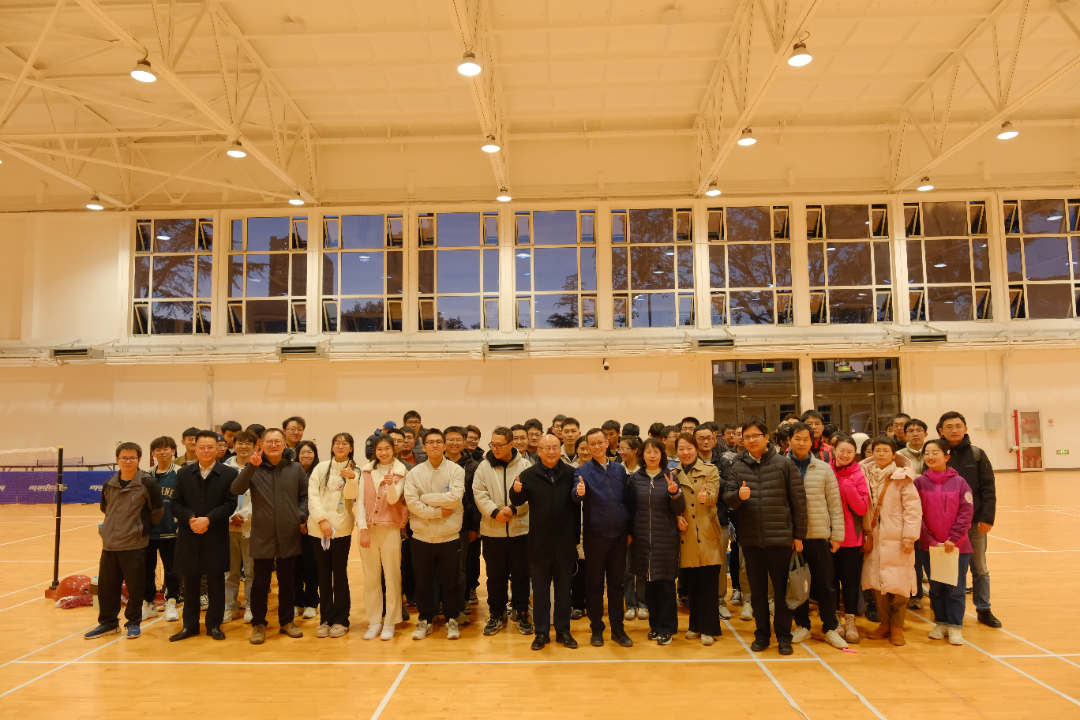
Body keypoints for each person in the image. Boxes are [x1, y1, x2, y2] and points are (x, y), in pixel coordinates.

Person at [723, 420, 807, 655]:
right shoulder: (738, 465)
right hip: (750, 540)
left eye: (755, 436)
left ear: (766, 437)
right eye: (747, 437)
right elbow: (728, 498)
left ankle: (784, 636)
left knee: (781, 591)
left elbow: (799, 502)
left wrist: (799, 535)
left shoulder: (784, 464)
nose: (751, 440)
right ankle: (762, 635)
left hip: (780, 538)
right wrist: (738, 496)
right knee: (757, 592)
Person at [232, 428, 309, 644]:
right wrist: (251, 467)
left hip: (288, 533)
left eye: (277, 441)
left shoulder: (295, 468)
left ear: (284, 444)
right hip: (262, 534)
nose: (273, 445)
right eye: (269, 441)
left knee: (287, 581)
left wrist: (299, 516)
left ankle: (287, 622)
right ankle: (258, 623)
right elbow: (236, 489)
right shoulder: (254, 467)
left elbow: (305, 497)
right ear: (262, 445)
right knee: (260, 583)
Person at [85, 442, 164, 640]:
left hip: (135, 544)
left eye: (132, 458)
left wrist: (139, 530)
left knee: (135, 587)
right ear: (117, 460)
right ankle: (108, 623)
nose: (128, 461)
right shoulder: (109, 484)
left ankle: (133, 622)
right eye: (124, 458)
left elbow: (157, 512)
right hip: (110, 544)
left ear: (139, 459)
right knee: (107, 587)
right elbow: (106, 509)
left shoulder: (148, 483)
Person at [510, 434, 581, 650]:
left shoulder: (572, 473)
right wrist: (515, 491)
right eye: (546, 448)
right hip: (539, 544)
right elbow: (518, 501)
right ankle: (541, 632)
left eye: (555, 447)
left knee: (564, 591)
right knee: (540, 593)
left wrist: (581, 494)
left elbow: (578, 501)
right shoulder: (528, 475)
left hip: (565, 543)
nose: (551, 452)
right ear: (538, 451)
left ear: (560, 449)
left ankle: (563, 630)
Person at [169, 430, 238, 642]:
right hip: (189, 534)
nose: (206, 451)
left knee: (216, 583)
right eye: (202, 447)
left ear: (217, 449)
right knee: (190, 584)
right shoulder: (183, 474)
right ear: (195, 449)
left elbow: (230, 504)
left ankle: (214, 625)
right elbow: (175, 503)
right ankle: (189, 626)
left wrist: (208, 520)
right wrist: (191, 518)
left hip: (215, 534)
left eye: (210, 447)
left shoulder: (229, 474)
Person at [786, 423, 848, 649]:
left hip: (820, 535)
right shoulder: (781, 466)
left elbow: (834, 503)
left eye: (806, 439)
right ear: (789, 441)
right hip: (791, 538)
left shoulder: (823, 468)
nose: (801, 443)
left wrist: (837, 535)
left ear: (812, 441)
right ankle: (802, 625)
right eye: (797, 438)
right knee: (797, 584)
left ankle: (830, 627)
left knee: (826, 585)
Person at [937, 411, 1001, 629]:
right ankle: (948, 612)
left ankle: (984, 608)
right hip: (944, 523)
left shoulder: (977, 454)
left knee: (979, 567)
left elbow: (988, 488)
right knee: (948, 568)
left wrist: (987, 517)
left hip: (973, 523)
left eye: (958, 426)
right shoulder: (936, 453)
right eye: (949, 426)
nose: (954, 430)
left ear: (965, 429)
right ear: (941, 431)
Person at [404, 429, 466, 640]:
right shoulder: (414, 473)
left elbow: (454, 499)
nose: (435, 445)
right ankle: (425, 619)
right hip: (422, 537)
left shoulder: (456, 470)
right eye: (430, 442)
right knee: (423, 583)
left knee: (451, 582)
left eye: (439, 442)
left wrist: (425, 498)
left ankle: (451, 619)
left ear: (444, 445)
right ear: (424, 446)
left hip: (449, 536)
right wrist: (438, 511)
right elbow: (412, 503)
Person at [574, 428, 634, 648]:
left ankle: (618, 629)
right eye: (592, 444)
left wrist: (629, 531)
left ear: (607, 443)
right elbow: (575, 496)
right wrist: (578, 493)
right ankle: (597, 628)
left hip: (619, 536)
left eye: (600, 442)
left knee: (617, 584)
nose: (597, 446)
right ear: (588, 447)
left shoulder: (619, 469)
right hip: (595, 536)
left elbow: (627, 500)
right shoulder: (581, 471)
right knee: (594, 584)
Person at [346, 434, 408, 641]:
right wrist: (362, 529)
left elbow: (393, 500)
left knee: (392, 576)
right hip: (369, 530)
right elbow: (360, 502)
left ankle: (390, 622)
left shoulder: (400, 471)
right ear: (375, 451)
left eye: (387, 448)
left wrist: (390, 484)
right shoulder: (365, 471)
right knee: (371, 577)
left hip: (390, 529)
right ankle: (374, 622)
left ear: (393, 449)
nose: (383, 452)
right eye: (379, 449)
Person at [473, 426, 533, 636]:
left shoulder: (525, 465)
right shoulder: (483, 467)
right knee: (495, 577)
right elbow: (479, 493)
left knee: (521, 576)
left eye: (500, 445)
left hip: (520, 531)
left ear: (511, 444)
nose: (495, 448)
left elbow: (532, 494)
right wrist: (494, 512)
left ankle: (521, 612)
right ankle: (496, 614)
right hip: (493, 532)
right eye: (493, 444)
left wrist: (514, 509)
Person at [860, 437, 919, 646]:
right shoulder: (863, 475)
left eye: (885, 450)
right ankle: (884, 623)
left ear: (894, 454)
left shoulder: (903, 477)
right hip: (873, 536)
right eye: (877, 450)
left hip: (898, 537)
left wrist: (909, 537)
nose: (881, 454)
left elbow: (913, 510)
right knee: (876, 583)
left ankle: (897, 626)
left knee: (900, 583)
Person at [914, 439, 973, 645]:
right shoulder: (919, 483)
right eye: (927, 453)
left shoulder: (960, 483)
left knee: (955, 588)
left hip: (956, 547)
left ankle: (955, 626)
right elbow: (916, 514)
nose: (930, 457)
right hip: (929, 547)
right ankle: (941, 623)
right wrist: (929, 540)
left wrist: (953, 539)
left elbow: (966, 512)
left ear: (946, 457)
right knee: (936, 588)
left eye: (935, 453)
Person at [627, 438, 684, 645]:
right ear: (642, 455)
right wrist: (630, 533)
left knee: (666, 586)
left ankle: (667, 628)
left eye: (656, 452)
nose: (652, 455)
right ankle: (655, 625)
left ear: (662, 455)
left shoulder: (671, 477)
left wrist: (674, 493)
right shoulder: (635, 479)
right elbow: (630, 508)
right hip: (642, 539)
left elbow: (679, 508)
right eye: (648, 452)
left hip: (666, 539)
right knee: (648, 586)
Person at [674, 433, 726, 646]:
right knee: (691, 584)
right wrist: (676, 517)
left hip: (706, 533)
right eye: (681, 449)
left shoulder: (710, 470)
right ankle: (694, 625)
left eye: (689, 448)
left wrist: (707, 497)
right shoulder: (673, 474)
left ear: (696, 450)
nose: (685, 452)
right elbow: (670, 503)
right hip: (685, 535)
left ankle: (709, 628)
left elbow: (714, 494)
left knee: (708, 584)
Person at [307, 433, 357, 638]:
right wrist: (322, 520)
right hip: (318, 529)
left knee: (340, 574)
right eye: (337, 443)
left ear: (351, 448)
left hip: (342, 529)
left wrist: (351, 478)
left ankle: (342, 620)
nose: (340, 446)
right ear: (332, 446)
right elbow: (312, 495)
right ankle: (325, 619)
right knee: (323, 575)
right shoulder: (321, 468)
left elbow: (352, 496)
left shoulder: (355, 471)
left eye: (345, 443)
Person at [830, 435, 870, 644]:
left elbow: (862, 509)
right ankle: (835, 619)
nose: (845, 455)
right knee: (830, 581)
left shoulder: (858, 475)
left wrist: (847, 487)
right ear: (834, 450)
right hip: (827, 537)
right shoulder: (825, 471)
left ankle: (851, 621)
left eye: (850, 452)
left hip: (851, 539)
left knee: (850, 581)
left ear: (855, 454)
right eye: (841, 450)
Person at [143, 436, 180, 623]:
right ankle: (148, 603)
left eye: (166, 448)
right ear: (153, 453)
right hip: (149, 531)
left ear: (173, 451)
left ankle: (171, 601)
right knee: (146, 569)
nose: (162, 452)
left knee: (172, 569)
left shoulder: (180, 473)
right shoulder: (146, 475)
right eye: (158, 449)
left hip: (172, 530)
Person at [445, 427, 481, 619]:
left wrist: (475, 526)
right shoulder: (435, 463)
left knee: (460, 566)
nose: (454, 443)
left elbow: (476, 499)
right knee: (440, 566)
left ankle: (460, 602)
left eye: (458, 439)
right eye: (450, 439)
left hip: (463, 525)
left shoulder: (473, 466)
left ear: (464, 442)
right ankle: (441, 602)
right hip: (437, 522)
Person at [224, 430, 256, 624]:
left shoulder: (259, 467)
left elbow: (262, 497)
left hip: (251, 526)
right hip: (228, 527)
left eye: (248, 443)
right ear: (233, 445)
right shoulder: (224, 468)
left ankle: (251, 606)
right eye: (240, 443)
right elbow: (218, 496)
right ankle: (230, 606)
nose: (244, 446)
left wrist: (244, 515)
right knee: (230, 571)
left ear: (254, 446)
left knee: (251, 571)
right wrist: (230, 516)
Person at [898, 418, 930, 609]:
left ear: (926, 434)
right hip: (908, 511)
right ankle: (915, 594)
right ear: (905, 435)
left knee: (934, 554)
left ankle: (938, 593)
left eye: (919, 430)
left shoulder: (933, 450)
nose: (915, 433)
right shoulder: (900, 456)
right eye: (911, 431)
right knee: (913, 556)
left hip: (932, 511)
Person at [617, 435, 647, 621]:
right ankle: (629, 604)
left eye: (624, 448)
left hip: (642, 526)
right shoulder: (617, 470)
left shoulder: (644, 471)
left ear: (636, 450)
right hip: (623, 526)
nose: (621, 452)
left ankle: (642, 602)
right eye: (619, 449)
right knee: (626, 569)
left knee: (642, 567)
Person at [293, 439, 321, 620]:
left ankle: (312, 602)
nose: (305, 455)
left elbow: (319, 499)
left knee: (311, 566)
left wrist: (307, 521)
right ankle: (297, 602)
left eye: (309, 452)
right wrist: (298, 521)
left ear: (315, 455)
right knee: (294, 566)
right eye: (302, 452)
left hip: (313, 526)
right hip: (293, 526)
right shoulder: (290, 472)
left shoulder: (319, 472)